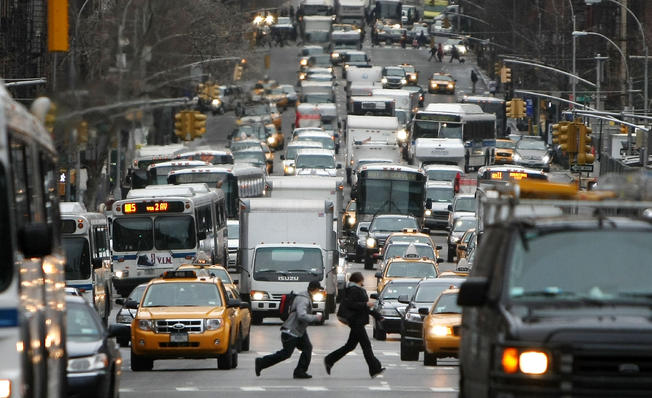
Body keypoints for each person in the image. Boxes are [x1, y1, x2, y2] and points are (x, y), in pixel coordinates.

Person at [255, 281, 323, 379]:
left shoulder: (305, 297)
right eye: (318, 290)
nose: (319, 292)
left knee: (307, 348)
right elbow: (301, 315)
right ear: (315, 289)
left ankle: (300, 371)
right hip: (291, 331)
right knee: (286, 354)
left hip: (299, 331)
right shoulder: (304, 299)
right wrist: (316, 318)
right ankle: (261, 362)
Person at [324, 272, 385, 378]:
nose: (363, 281)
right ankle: (374, 368)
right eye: (362, 279)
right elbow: (351, 304)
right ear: (359, 280)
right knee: (366, 346)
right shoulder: (353, 290)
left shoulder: (357, 289)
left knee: (350, 346)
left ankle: (329, 359)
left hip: (358, 321)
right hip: (356, 321)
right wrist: (365, 304)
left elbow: (366, 307)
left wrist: (377, 315)